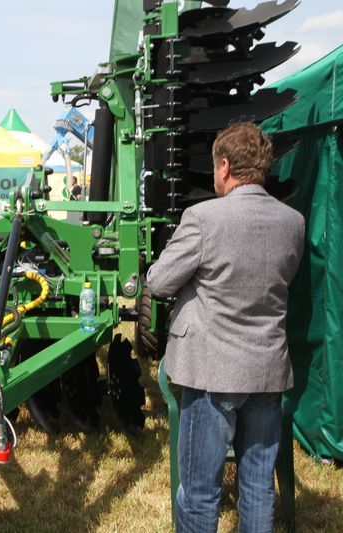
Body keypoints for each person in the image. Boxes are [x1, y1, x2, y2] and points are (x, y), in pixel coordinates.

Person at [147, 122, 305, 532]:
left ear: (224, 166)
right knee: (257, 488)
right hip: (267, 371)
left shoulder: (203, 218)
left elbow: (159, 282)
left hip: (211, 373)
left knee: (200, 491)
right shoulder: (293, 222)